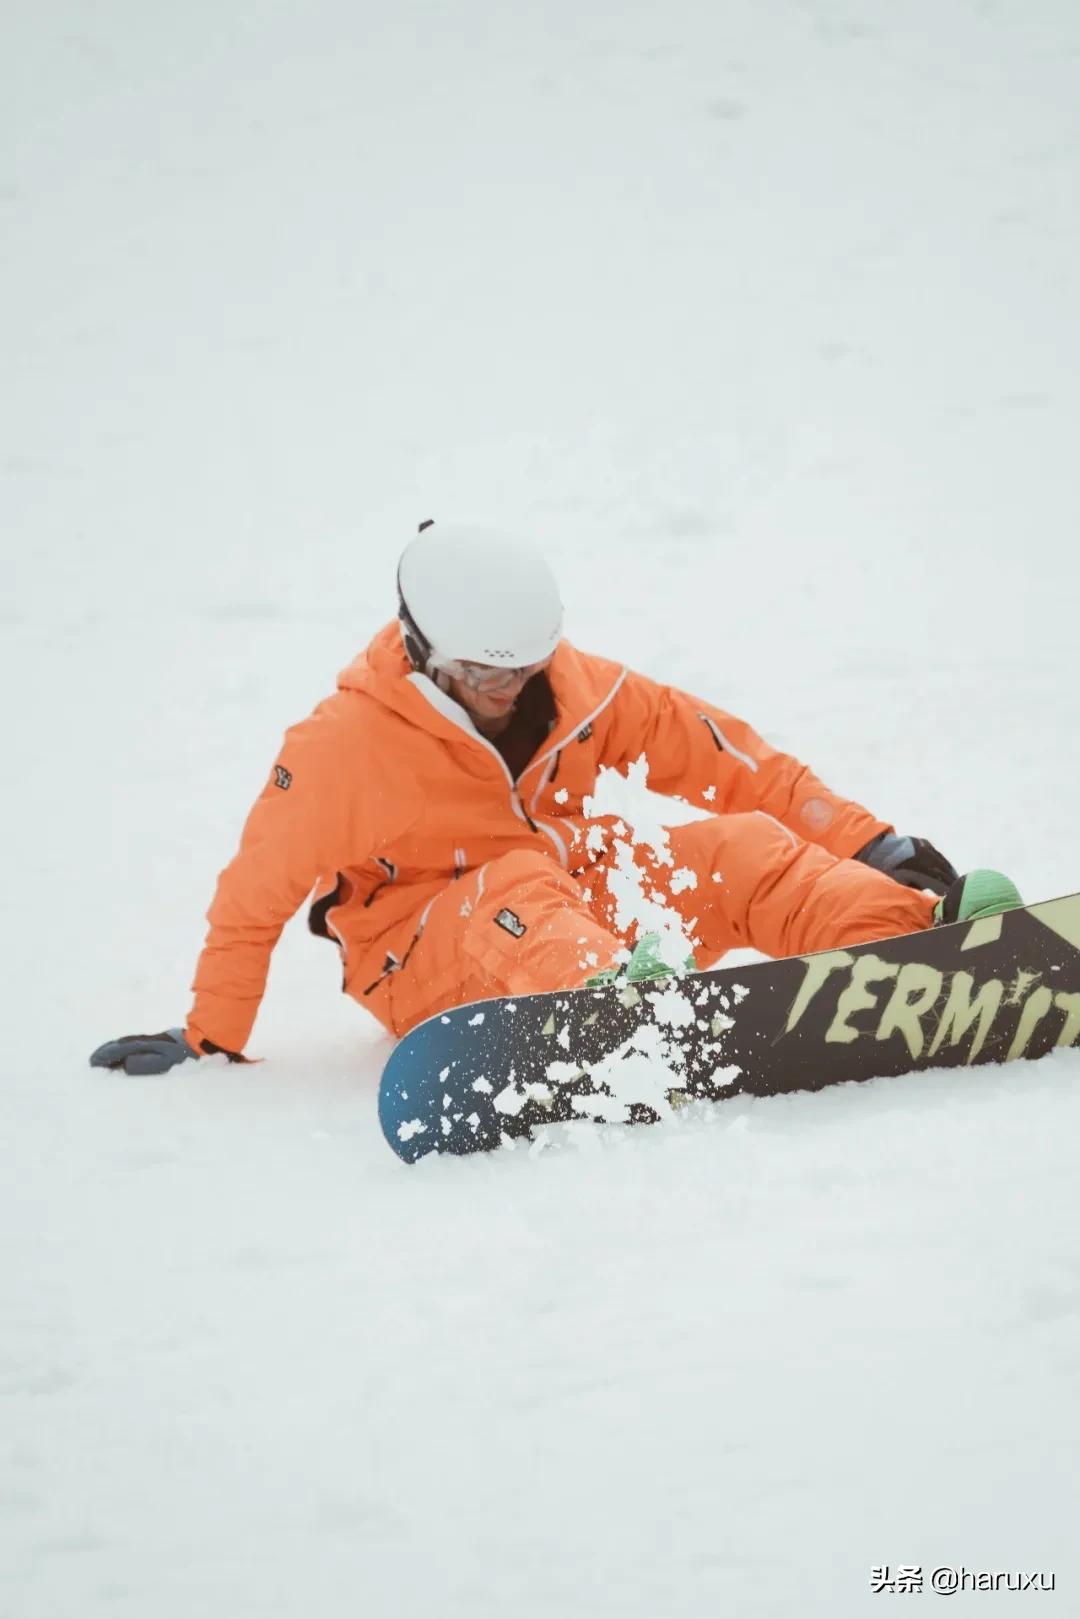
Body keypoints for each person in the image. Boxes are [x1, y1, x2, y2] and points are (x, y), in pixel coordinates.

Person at [90, 522, 1021, 1077]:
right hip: (421, 956)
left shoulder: (573, 690)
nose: (508, 689)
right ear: (423, 648)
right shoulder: (343, 747)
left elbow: (723, 753)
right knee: (517, 888)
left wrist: (871, 843)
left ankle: (917, 944)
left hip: (561, 898)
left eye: (524, 668)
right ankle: (622, 1014)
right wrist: (210, 1038)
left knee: (734, 846)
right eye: (483, 673)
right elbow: (252, 896)